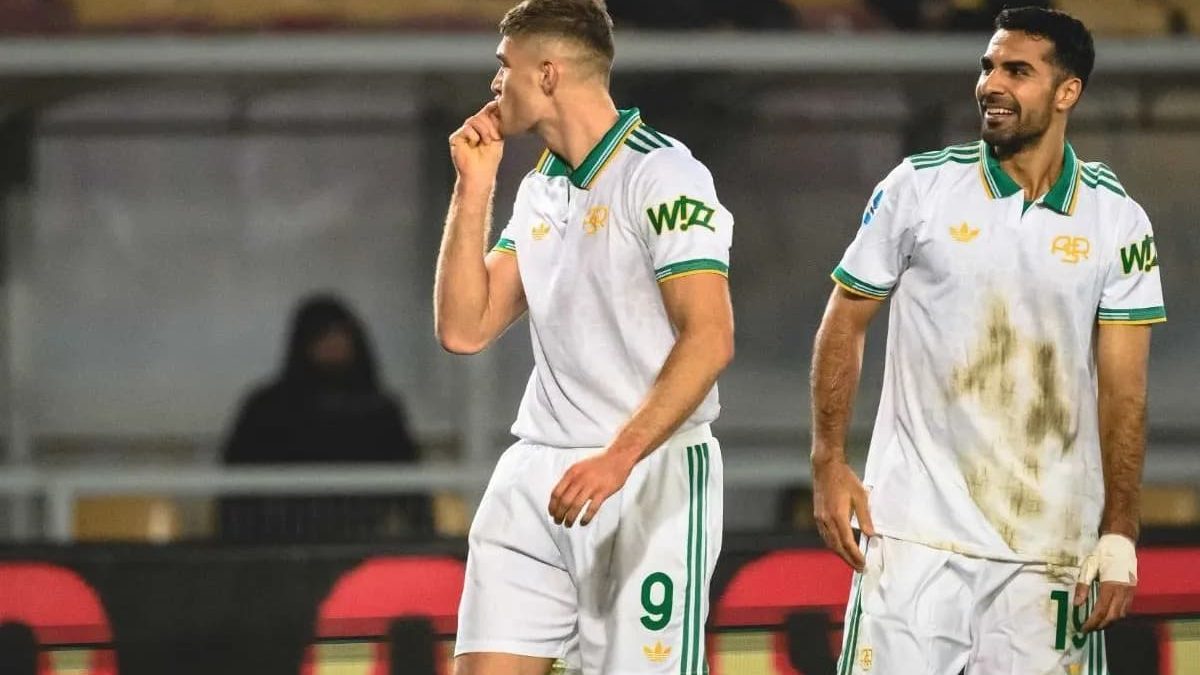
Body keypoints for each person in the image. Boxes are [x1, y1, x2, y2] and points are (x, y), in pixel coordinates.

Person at [810, 7, 1164, 674]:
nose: (992, 84)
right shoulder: (919, 187)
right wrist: (828, 460)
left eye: (1017, 71)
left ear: (1067, 91)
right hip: (914, 533)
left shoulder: (1117, 220)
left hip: (1050, 546)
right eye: (988, 67)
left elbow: (1125, 391)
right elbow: (845, 319)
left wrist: (1120, 530)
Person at [434, 1, 735, 673]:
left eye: (504, 67)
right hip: (537, 470)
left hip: (644, 473)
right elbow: (463, 327)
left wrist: (618, 457)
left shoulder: (663, 175)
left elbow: (710, 339)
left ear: (547, 74)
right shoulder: (541, 186)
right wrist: (473, 188)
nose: (494, 84)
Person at [221, 294, 428, 542]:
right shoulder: (268, 409)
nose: (334, 346)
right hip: (279, 543)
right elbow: (237, 486)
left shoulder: (379, 410)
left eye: (341, 336)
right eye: (324, 337)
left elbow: (410, 485)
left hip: (364, 539)